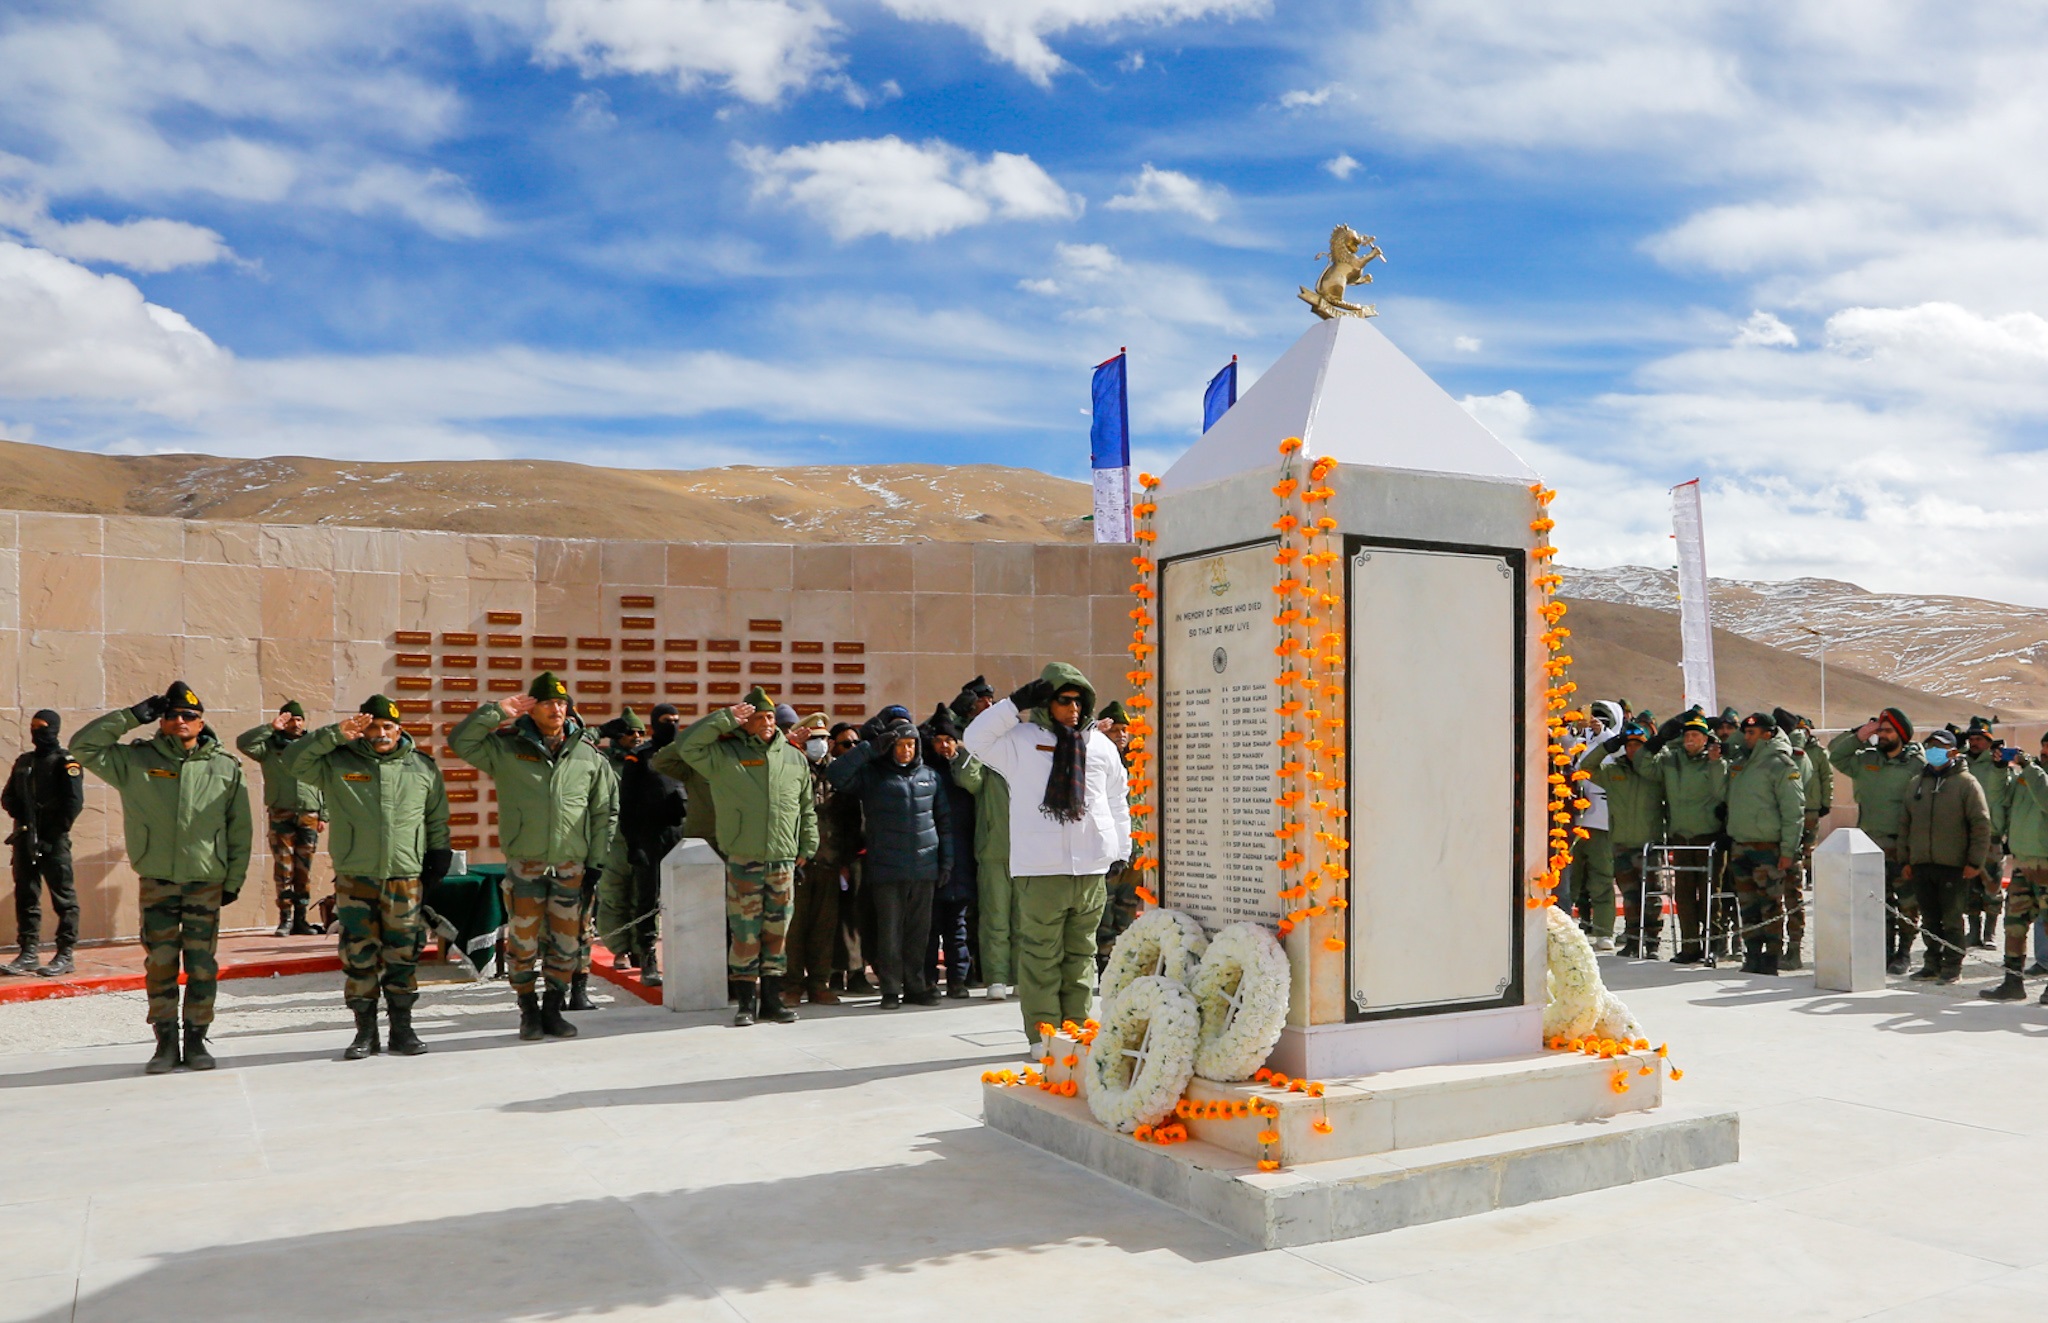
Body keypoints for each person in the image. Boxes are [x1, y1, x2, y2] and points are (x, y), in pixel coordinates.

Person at [74, 682, 253, 1074]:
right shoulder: (135, 761)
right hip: (158, 879)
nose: (179, 722)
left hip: (206, 880)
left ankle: (196, 1039)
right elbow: (83, 747)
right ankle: (165, 1044)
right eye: (171, 715)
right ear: (162, 720)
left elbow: (240, 828)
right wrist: (131, 716)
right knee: (160, 962)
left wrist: (234, 880)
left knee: (202, 964)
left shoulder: (224, 766)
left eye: (188, 716)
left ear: (201, 721)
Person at [962, 664, 1130, 1041]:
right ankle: (1044, 1037)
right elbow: (974, 739)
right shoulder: (1020, 740)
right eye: (1063, 700)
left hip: (1090, 866)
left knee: (1081, 958)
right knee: (1040, 959)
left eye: (1079, 700)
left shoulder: (1099, 744)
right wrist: (1012, 705)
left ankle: (1076, 1032)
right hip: (1041, 869)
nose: (1073, 708)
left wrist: (1120, 848)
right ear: (1045, 702)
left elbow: (1117, 799)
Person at [448, 672, 618, 1043]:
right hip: (526, 865)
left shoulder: (587, 754)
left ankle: (553, 1009)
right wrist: (496, 712)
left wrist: (596, 862)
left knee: (567, 943)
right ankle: (528, 1010)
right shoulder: (507, 749)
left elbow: (605, 812)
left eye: (561, 703)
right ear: (532, 708)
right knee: (522, 943)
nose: (556, 709)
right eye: (547, 703)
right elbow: (460, 741)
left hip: (571, 866)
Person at [283, 695, 451, 1058]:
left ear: (399, 729)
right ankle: (365, 1033)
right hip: (356, 875)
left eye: (387, 726)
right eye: (372, 727)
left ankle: (402, 1029)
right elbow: (293, 761)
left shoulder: (422, 768)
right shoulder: (338, 762)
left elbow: (436, 818)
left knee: (404, 953)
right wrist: (334, 735)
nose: (380, 733)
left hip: (404, 875)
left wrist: (439, 857)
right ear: (361, 730)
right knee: (358, 954)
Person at [662, 686, 817, 1027]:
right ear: (745, 723)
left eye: (770, 716)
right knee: (745, 933)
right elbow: (688, 746)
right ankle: (746, 1003)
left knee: (777, 933)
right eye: (758, 716)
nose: (765, 722)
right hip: (744, 858)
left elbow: (806, 808)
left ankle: (773, 1001)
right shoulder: (724, 756)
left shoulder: (792, 757)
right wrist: (725, 718)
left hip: (782, 859)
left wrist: (807, 846)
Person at [828, 712, 951, 1007]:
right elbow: (836, 776)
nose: (906, 750)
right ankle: (891, 988)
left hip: (924, 867)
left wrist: (946, 862)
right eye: (899, 745)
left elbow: (943, 821)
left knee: (919, 933)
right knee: (890, 932)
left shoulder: (929, 777)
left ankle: (916, 986)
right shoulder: (872, 775)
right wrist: (869, 748)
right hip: (887, 867)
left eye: (910, 745)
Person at [1830, 708, 1927, 974]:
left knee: (1907, 902)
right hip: (1869, 844)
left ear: (1902, 735)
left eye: (1888, 731)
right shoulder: (1866, 760)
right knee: (1874, 901)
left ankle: (1904, 953)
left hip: (1902, 845)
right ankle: (1880, 951)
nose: (1882, 735)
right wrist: (1858, 735)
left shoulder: (1917, 765)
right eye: (1880, 730)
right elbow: (1836, 754)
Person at [1898, 728, 1990, 985]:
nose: (1933, 751)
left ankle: (1952, 965)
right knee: (1929, 918)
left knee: (1951, 919)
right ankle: (1931, 963)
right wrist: (1906, 859)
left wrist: (1975, 862)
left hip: (1954, 865)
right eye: (1930, 746)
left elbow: (1980, 825)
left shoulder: (1966, 784)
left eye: (1939, 746)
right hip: (1922, 863)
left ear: (1952, 750)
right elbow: (1905, 823)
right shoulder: (1916, 783)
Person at [1, 710, 85, 977]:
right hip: (26, 836)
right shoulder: (25, 761)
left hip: (54, 840)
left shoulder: (65, 762)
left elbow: (73, 803)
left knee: (63, 897)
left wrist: (53, 831)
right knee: (26, 895)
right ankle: (28, 952)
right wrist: (25, 816)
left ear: (55, 729)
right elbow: (8, 796)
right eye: (34, 727)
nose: (37, 732)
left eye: (43, 727)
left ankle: (65, 953)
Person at [237, 700, 327, 937]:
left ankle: (301, 919)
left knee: (303, 870)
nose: (295, 724)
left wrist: (324, 814)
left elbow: (326, 780)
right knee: (283, 870)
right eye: (290, 720)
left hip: (309, 813)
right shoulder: (269, 747)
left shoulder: (313, 747)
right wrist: (270, 727)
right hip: (282, 813)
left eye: (298, 719)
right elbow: (243, 743)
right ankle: (285, 919)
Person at [950, 677, 1015, 1001]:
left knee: (1027, 920)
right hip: (994, 849)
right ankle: (997, 977)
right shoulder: (986, 757)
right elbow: (966, 779)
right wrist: (976, 746)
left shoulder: (1022, 751)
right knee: (995, 919)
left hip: (1028, 849)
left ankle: (1022, 976)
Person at [613, 703, 688, 986]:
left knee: (683, 900)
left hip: (681, 834)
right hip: (651, 836)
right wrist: (634, 844)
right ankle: (647, 957)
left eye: (678, 720)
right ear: (655, 723)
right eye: (668, 720)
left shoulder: (685, 754)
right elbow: (628, 804)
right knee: (649, 899)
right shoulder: (640, 758)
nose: (674, 725)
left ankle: (681, 958)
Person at [1724, 712, 1805, 975]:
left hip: (1768, 848)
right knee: (1747, 905)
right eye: (1745, 733)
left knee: (1770, 906)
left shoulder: (1781, 765)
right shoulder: (1741, 763)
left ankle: (1771, 957)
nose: (1745, 737)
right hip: (1741, 845)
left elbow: (1794, 812)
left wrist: (1787, 851)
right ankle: (1752, 955)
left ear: (1768, 735)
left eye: (1752, 733)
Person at [789, 714, 855, 1005]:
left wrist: (845, 859)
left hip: (830, 862)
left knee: (823, 928)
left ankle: (819, 982)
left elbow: (849, 818)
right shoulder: (792, 769)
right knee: (794, 928)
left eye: (824, 739)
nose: (820, 744)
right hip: (799, 863)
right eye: (813, 739)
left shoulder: (838, 774)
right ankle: (791, 984)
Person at [1655, 713, 1727, 964]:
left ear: (1705, 738)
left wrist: (1716, 763)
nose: (1690, 739)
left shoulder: (1714, 762)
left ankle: (1713, 945)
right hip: (1682, 836)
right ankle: (1690, 946)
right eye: (1686, 735)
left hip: (1708, 836)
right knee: (1684, 895)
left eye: (1695, 735)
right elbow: (1648, 761)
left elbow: (1721, 792)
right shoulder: (1673, 761)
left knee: (1709, 894)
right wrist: (1670, 732)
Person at [1982, 731, 2048, 1003]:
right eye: (2043, 747)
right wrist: (1999, 770)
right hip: (2023, 864)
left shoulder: (2034, 775)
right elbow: (2000, 803)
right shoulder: (2028, 776)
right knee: (2014, 925)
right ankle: (2012, 982)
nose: (2045, 752)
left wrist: (2028, 767)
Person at [1595, 720, 1666, 958]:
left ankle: (1653, 945)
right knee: (1630, 897)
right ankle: (1633, 942)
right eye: (1628, 745)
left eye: (1638, 745)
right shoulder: (1613, 771)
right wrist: (1606, 746)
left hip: (1649, 844)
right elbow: (1584, 766)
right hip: (1622, 844)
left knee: (1652, 896)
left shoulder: (1656, 773)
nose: (1632, 749)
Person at [922, 704, 979, 997]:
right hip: (931, 858)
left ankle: (958, 980)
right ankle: (929, 981)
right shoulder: (924, 773)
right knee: (930, 928)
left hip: (962, 860)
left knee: (957, 926)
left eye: (949, 739)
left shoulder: (965, 772)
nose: (944, 745)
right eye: (938, 740)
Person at [1564, 701, 1622, 952]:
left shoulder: (1615, 743)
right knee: (1569, 879)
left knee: (1601, 878)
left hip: (1600, 821)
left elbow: (1617, 758)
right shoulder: (1580, 740)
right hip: (1573, 820)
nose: (1596, 722)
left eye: (1603, 718)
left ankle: (1603, 932)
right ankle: (1563, 928)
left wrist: (1603, 735)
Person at [1092, 699, 1140, 970]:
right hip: (1108, 848)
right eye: (1115, 730)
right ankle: (1104, 958)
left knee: (1128, 906)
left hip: (1135, 850)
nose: (1121, 735)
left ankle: (1123, 958)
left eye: (1125, 730)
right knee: (1105, 908)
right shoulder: (1097, 761)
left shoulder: (1139, 764)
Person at [1963, 719, 2013, 950]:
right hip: (1964, 835)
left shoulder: (1998, 766)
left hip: (1991, 835)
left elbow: (2005, 797)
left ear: (1989, 741)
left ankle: (1989, 933)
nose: (1974, 743)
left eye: (1979, 739)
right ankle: (1973, 932)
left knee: (1992, 886)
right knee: (1969, 887)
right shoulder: (1961, 764)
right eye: (1971, 739)